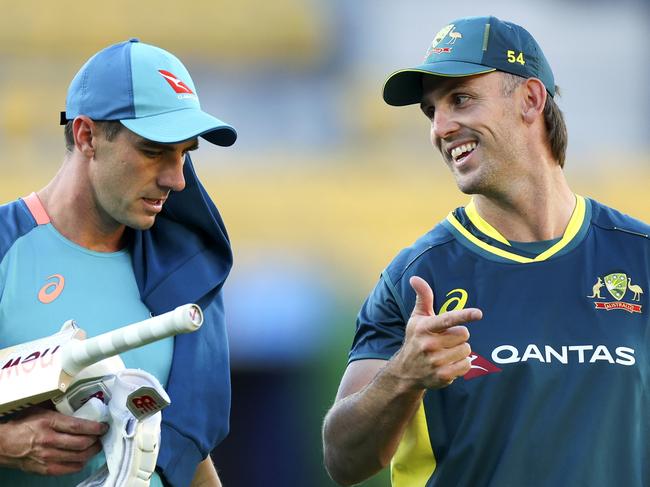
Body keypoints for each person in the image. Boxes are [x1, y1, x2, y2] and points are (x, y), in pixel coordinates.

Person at [323, 15, 649, 487]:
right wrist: (404, 375)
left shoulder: (637, 257)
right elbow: (342, 461)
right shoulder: (415, 277)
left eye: (460, 99)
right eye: (431, 110)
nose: (441, 127)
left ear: (531, 100)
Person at [0, 38, 237, 487]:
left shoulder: (185, 273)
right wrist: (6, 443)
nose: (176, 179)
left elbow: (182, 455)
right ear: (87, 135)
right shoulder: (5, 246)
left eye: (185, 153)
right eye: (153, 151)